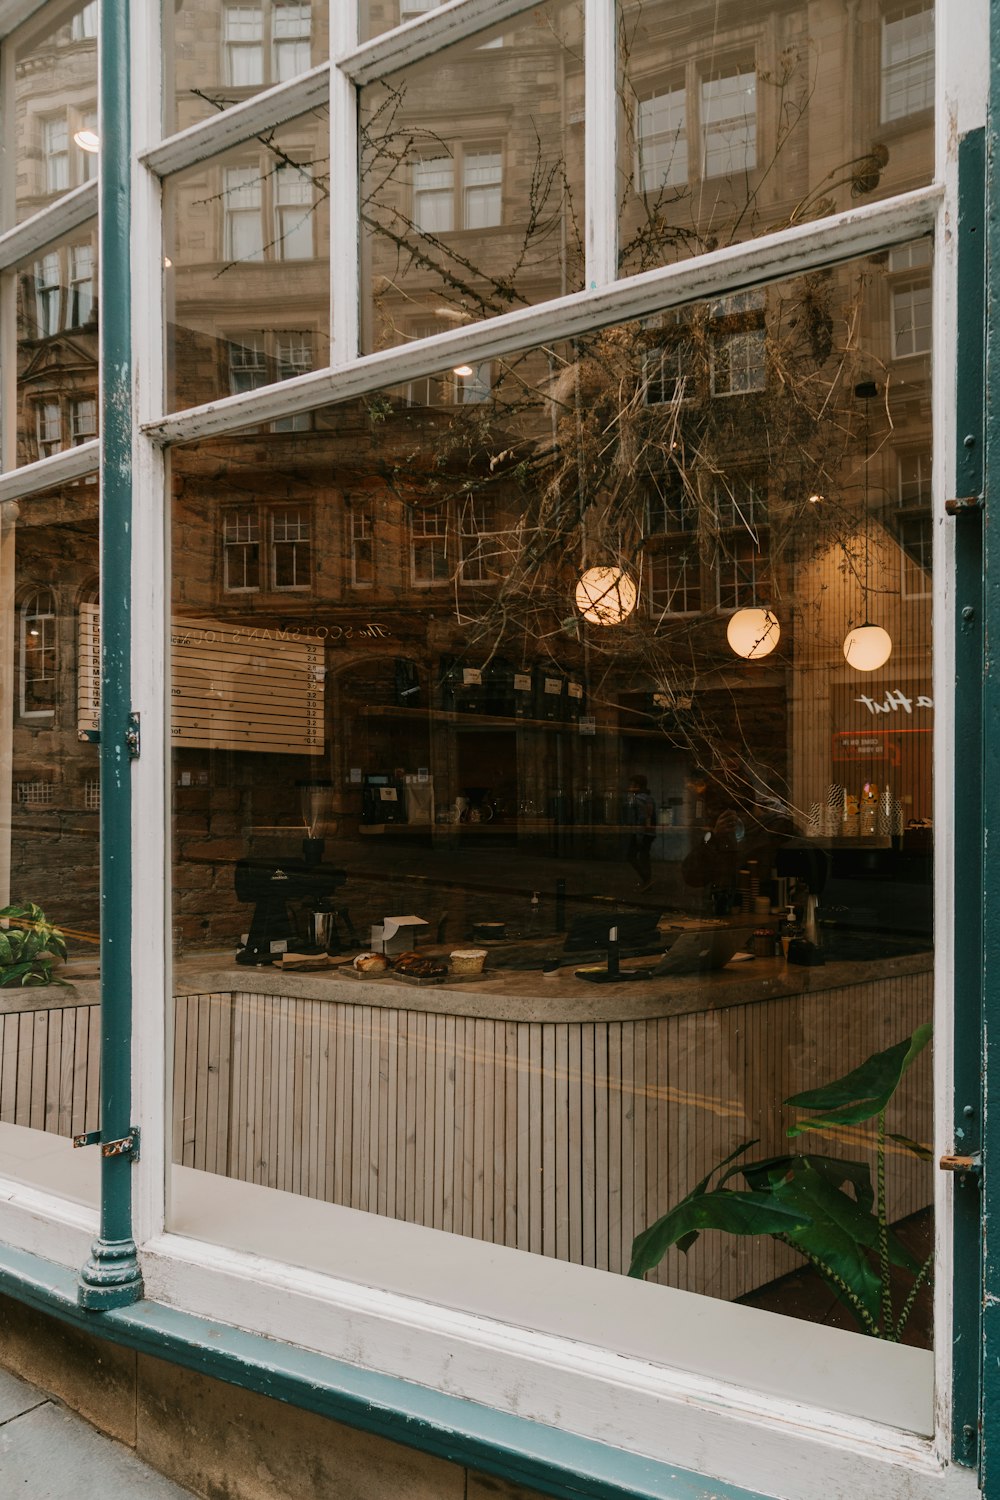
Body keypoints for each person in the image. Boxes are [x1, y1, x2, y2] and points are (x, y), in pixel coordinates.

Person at [625, 774, 657, 891]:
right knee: (644, 857)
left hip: (641, 832)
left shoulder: (637, 799)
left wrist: (638, 835)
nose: (630, 786)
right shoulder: (649, 798)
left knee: (631, 856)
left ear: (637, 786)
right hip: (650, 832)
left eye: (632, 784)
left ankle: (647, 880)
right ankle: (647, 882)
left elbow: (641, 818)